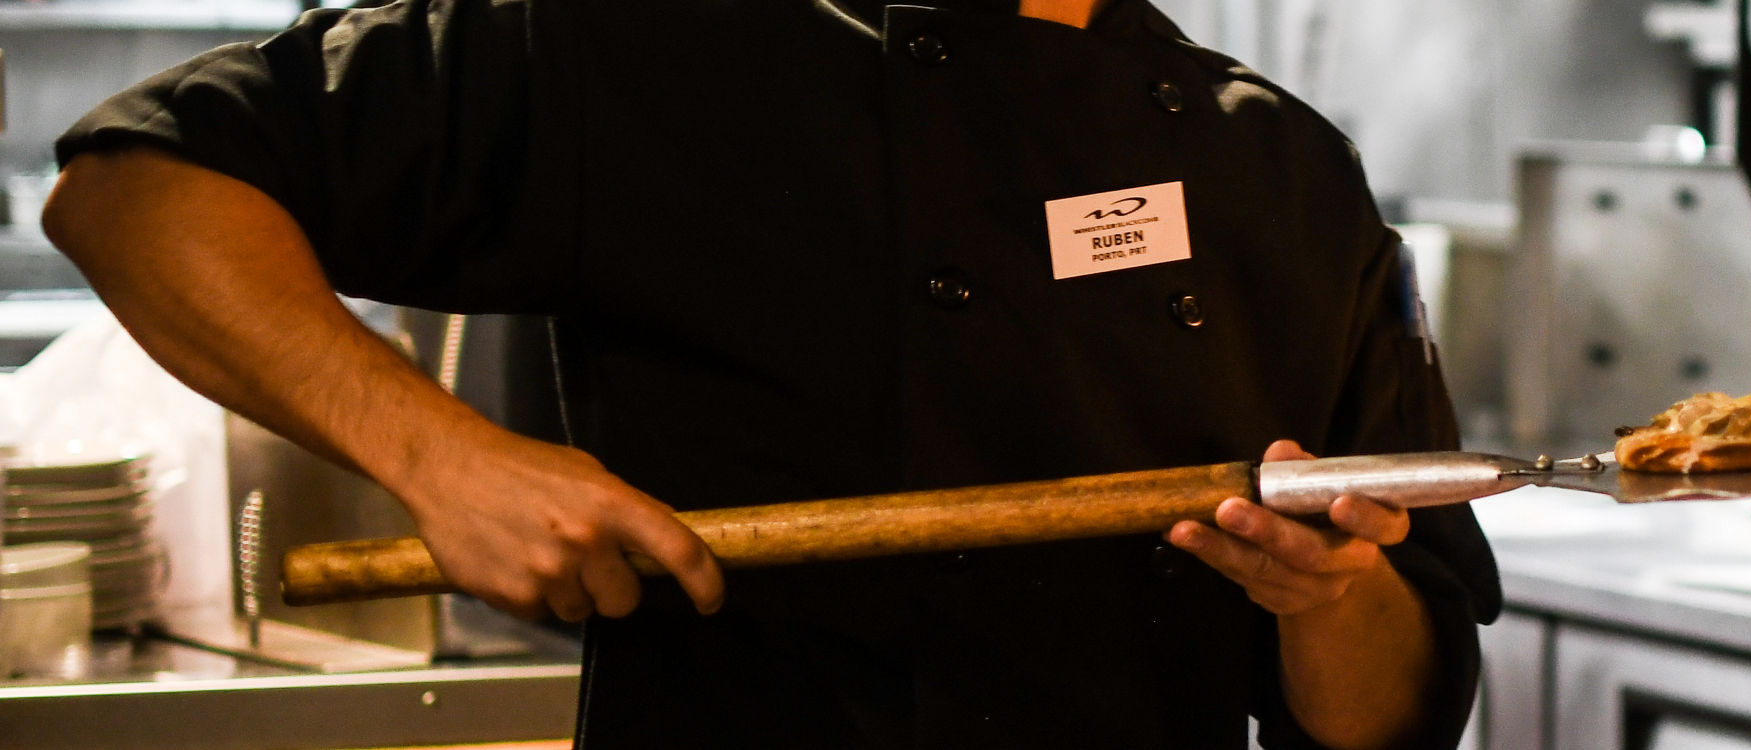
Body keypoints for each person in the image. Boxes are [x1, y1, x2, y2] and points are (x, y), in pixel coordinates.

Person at [41, 0, 1499, 747]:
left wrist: (1336, 594)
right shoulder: (639, 52)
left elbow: (1390, 713)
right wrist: (441, 457)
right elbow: (138, 182)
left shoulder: (1282, 171)